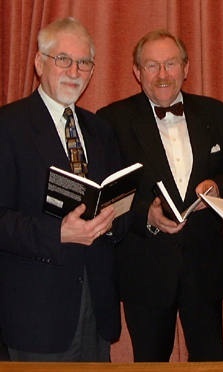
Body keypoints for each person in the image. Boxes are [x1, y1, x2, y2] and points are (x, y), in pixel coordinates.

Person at [97, 30, 223, 362]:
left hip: (204, 269)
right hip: (144, 271)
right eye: (152, 65)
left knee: (211, 364)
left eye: (170, 64)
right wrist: (146, 216)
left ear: (186, 68)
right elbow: (107, 194)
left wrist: (217, 188)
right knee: (150, 364)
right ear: (137, 71)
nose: (162, 75)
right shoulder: (111, 120)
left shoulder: (215, 113)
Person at [0, 17, 125, 362]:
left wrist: (114, 220)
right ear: (40, 63)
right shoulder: (8, 126)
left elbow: (116, 203)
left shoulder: (101, 130)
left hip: (97, 307)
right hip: (36, 313)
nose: (74, 70)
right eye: (63, 59)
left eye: (84, 62)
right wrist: (59, 233)